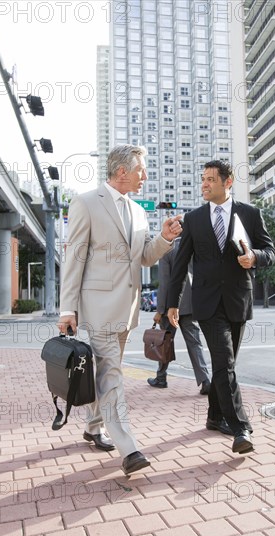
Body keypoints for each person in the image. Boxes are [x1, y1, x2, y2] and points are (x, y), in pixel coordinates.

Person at [58, 144, 182, 475]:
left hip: (127, 310)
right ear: (123, 171)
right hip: (97, 307)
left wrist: (165, 239)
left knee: (106, 371)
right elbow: (75, 258)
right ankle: (129, 449)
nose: (145, 175)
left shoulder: (138, 212)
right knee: (112, 374)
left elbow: (143, 257)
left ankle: (92, 427)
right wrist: (66, 309)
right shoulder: (86, 203)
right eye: (141, 169)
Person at [167, 160, 275, 454]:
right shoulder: (194, 219)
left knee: (224, 365)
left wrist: (254, 257)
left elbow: (270, 251)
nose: (204, 184)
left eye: (211, 179)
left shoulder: (250, 214)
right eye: (203, 179)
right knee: (224, 362)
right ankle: (240, 428)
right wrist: (172, 303)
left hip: (238, 299)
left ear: (228, 183)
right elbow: (179, 265)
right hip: (207, 303)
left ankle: (215, 416)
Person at [147, 237, 211, 394]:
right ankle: (205, 380)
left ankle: (161, 378)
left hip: (170, 306)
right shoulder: (194, 248)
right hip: (191, 304)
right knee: (195, 343)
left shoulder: (166, 250)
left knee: (165, 342)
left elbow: (165, 283)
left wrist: (160, 310)